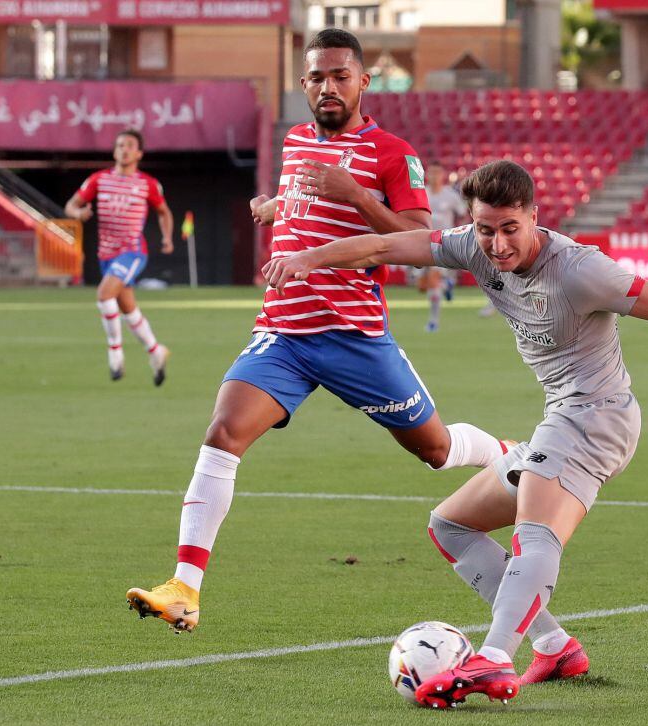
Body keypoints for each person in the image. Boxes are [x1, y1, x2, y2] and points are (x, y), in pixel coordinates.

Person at [263, 160, 648, 707]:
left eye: (509, 229)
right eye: (484, 230)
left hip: (598, 417)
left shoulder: (581, 270)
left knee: (535, 531)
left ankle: (495, 659)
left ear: (533, 217)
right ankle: (554, 645)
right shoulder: (472, 246)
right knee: (451, 526)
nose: (496, 245)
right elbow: (384, 248)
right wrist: (308, 258)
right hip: (560, 417)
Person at [126, 29, 511, 633]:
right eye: (316, 78)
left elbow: (417, 241)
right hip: (284, 332)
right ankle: (185, 587)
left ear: (362, 80)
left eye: (339, 75)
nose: (327, 87)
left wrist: (354, 191)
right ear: (303, 85)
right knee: (223, 433)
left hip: (354, 337)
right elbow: (304, 199)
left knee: (435, 452)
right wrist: (277, 207)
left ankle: (513, 459)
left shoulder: (391, 152)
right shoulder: (297, 139)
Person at [65, 129, 173, 385]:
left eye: (129, 145)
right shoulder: (99, 179)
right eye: (120, 145)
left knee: (104, 295)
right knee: (129, 310)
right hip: (106, 254)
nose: (124, 149)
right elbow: (71, 205)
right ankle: (156, 351)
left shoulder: (147, 183)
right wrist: (77, 214)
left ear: (138, 153)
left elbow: (163, 212)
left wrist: (166, 237)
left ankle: (115, 353)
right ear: (115, 151)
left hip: (132, 252)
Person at [419, 164, 467, 332]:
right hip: (422, 241)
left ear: (443, 175)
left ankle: (433, 322)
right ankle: (447, 284)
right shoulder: (422, 192)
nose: (434, 176)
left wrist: (459, 234)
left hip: (443, 242)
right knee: (421, 285)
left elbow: (463, 213)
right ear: (426, 174)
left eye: (437, 172)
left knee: (433, 280)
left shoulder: (450, 195)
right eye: (431, 172)